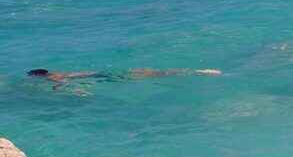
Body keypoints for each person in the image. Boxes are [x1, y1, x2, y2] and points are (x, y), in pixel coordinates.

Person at [27, 68, 221, 89]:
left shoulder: (54, 78)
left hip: (108, 78)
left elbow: (63, 84)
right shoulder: (64, 72)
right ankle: (199, 71)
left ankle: (198, 73)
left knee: (151, 77)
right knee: (156, 72)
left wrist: (58, 88)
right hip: (112, 71)